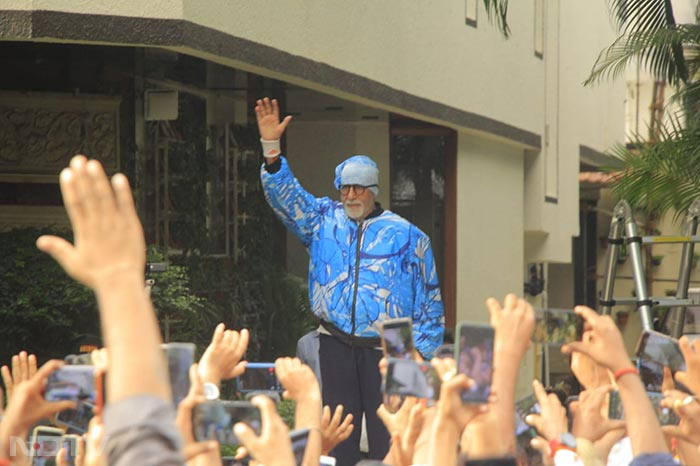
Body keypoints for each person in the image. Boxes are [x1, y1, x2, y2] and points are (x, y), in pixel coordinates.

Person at [256, 97, 445, 465]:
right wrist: (271, 151)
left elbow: (430, 303)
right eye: (345, 188)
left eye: (359, 188)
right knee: (334, 437)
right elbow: (287, 198)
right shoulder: (323, 220)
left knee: (394, 439)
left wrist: (418, 357)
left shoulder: (409, 236)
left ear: (373, 191)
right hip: (336, 341)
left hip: (391, 347)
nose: (351, 195)